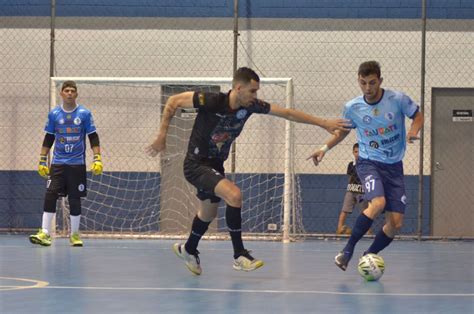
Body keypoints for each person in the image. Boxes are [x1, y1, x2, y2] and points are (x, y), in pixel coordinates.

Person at [146, 67, 350, 275]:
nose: (255, 96)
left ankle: (188, 249)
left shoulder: (251, 106)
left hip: (215, 165)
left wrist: (324, 123)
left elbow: (287, 113)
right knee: (234, 195)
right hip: (196, 164)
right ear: (238, 87)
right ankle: (239, 255)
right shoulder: (212, 101)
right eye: (252, 91)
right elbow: (173, 101)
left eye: (256, 91)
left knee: (207, 213)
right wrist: (162, 135)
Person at [309, 61, 424, 271]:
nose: (368, 88)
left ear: (380, 80)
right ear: (358, 81)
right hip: (368, 163)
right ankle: (347, 251)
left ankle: (369, 254)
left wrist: (414, 131)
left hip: (394, 167)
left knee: (396, 223)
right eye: (363, 83)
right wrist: (323, 149)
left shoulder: (397, 99)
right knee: (377, 202)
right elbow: (342, 132)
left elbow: (418, 115)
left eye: (372, 83)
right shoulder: (352, 108)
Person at [29, 81, 103, 247]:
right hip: (58, 164)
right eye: (66, 90)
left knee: (75, 198)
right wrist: (42, 160)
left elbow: (93, 136)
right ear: (62, 93)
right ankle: (45, 233)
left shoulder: (84, 114)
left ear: (76, 94)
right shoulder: (54, 114)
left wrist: (97, 158)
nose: (69, 93)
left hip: (77, 164)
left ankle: (75, 235)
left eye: (72, 91)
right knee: (50, 195)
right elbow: (48, 138)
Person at [336, 143, 370, 235]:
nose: (357, 154)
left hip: (362, 191)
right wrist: (349, 187)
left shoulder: (366, 165)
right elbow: (350, 177)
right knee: (345, 209)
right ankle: (339, 228)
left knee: (365, 211)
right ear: (353, 152)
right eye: (355, 152)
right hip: (351, 190)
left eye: (360, 152)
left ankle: (367, 230)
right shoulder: (351, 164)